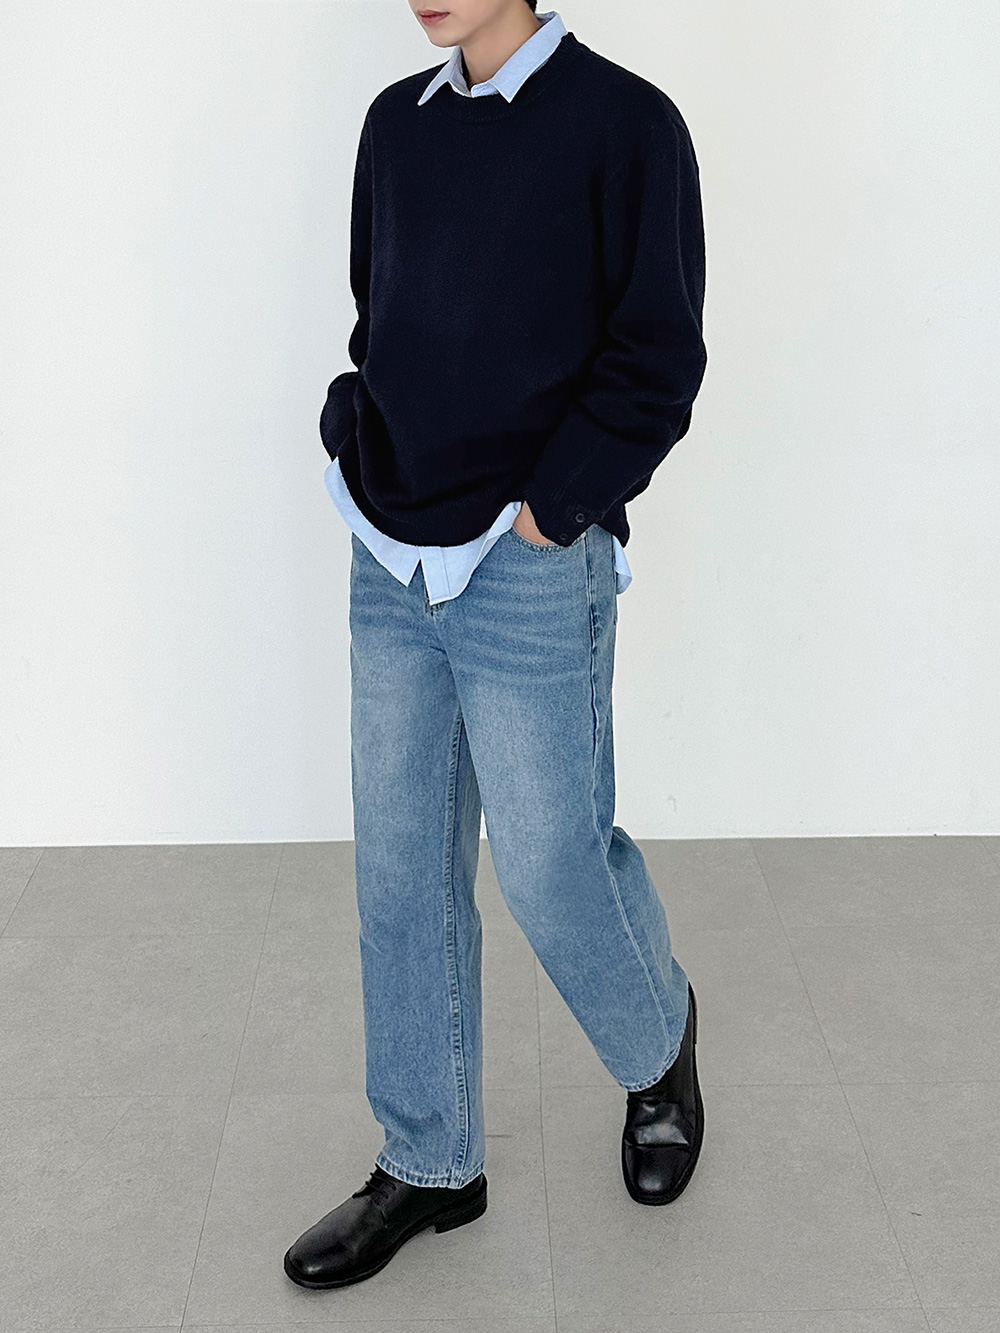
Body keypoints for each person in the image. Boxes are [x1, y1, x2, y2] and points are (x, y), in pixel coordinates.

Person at [284, 0, 708, 1290]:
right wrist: (356, 427)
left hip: (529, 555)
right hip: (390, 545)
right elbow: (381, 312)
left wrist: (555, 506)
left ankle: (657, 1050)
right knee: (400, 869)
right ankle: (429, 1160)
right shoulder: (395, 128)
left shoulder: (626, 125)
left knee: (549, 860)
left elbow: (658, 355)